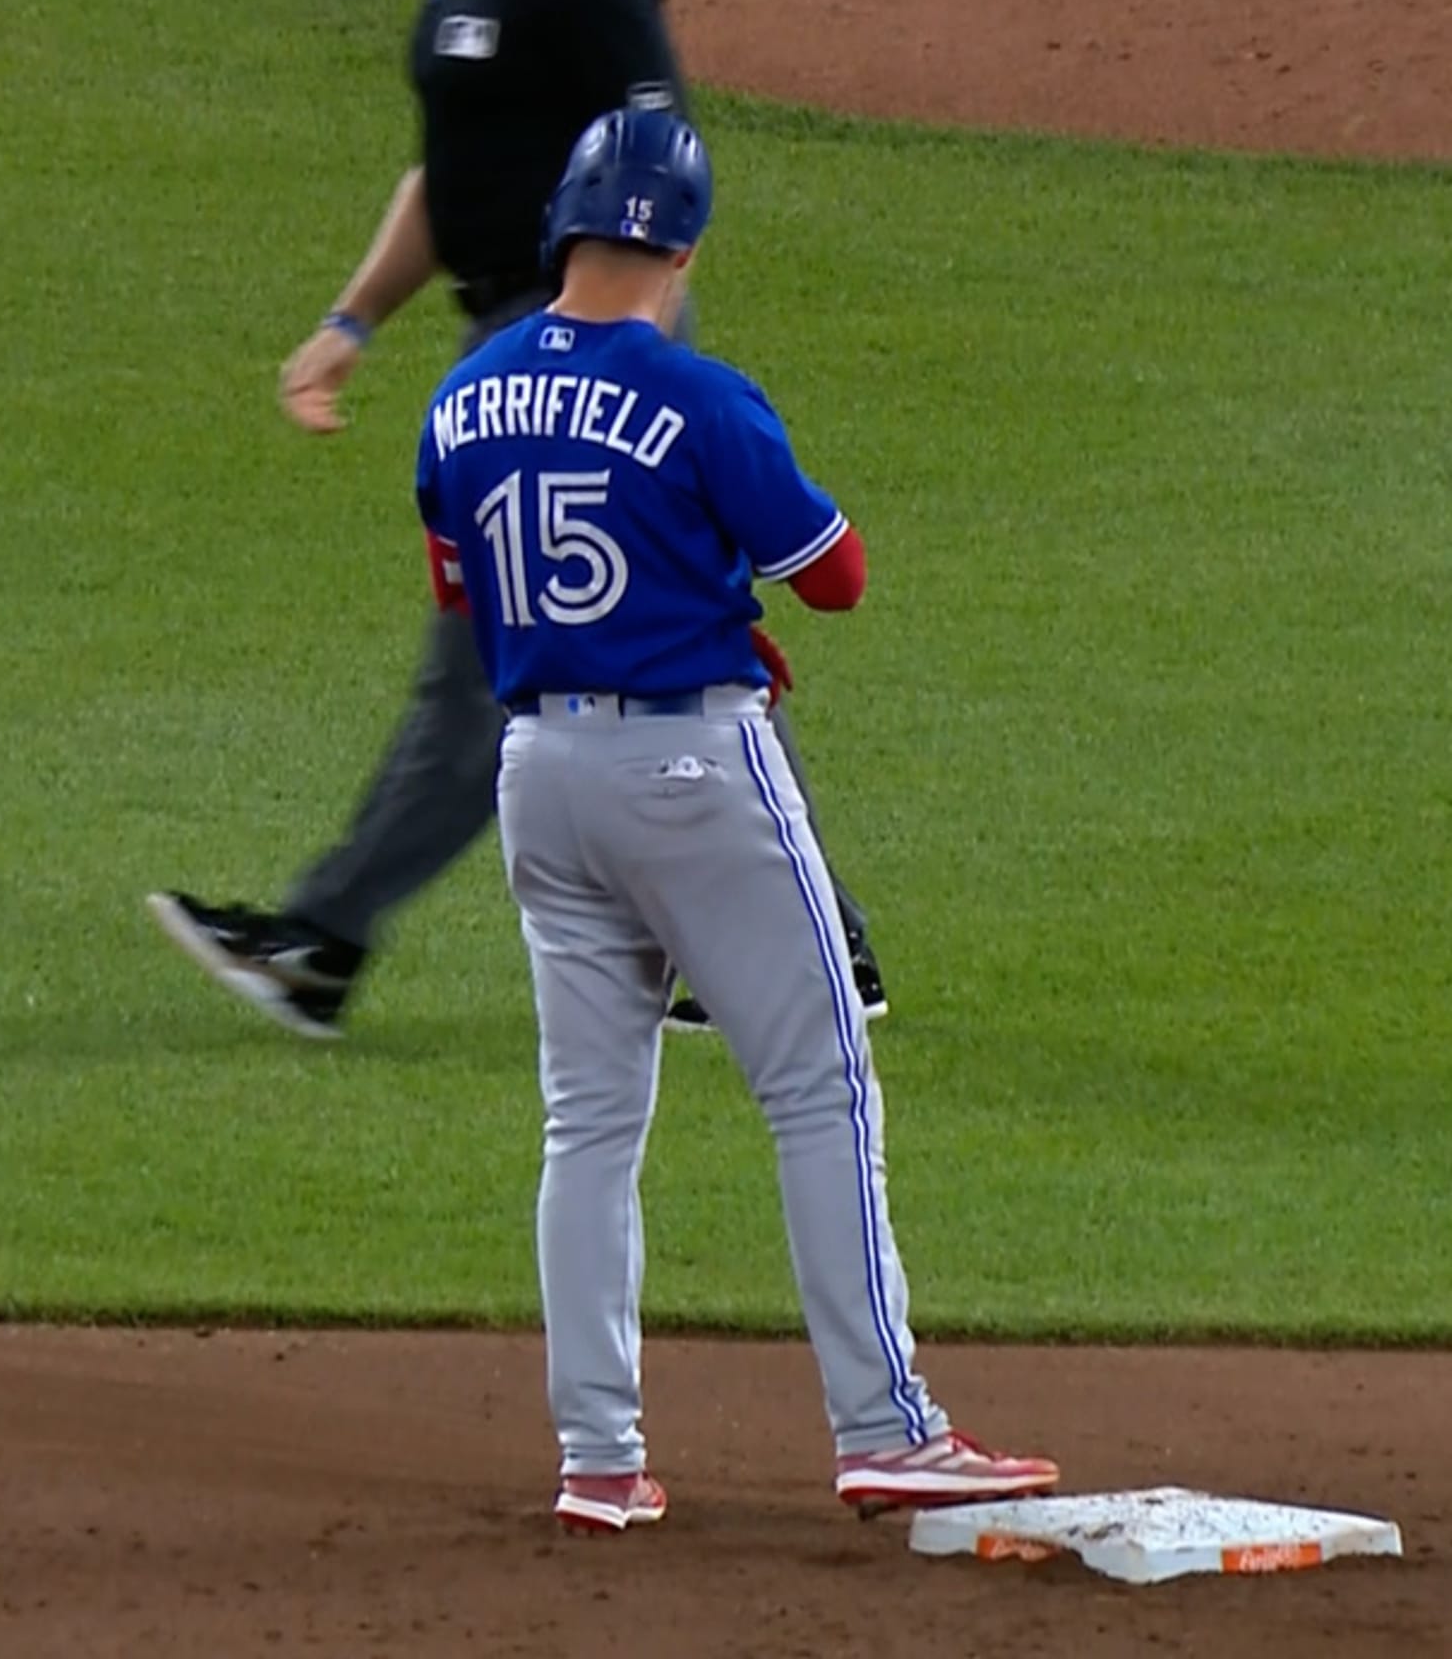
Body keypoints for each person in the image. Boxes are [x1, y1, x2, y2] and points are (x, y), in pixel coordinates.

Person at [416, 107, 1057, 1533]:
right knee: (819, 1089)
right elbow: (836, 578)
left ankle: (598, 1462)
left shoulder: (461, 398)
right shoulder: (704, 399)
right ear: (684, 244)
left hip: (538, 776)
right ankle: (888, 1426)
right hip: (693, 773)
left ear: (565, 230)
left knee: (587, 1126)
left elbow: (466, 592)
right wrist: (703, 607)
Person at [145, 0, 886, 1041]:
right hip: (506, 338)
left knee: (505, 665)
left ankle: (323, 942)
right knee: (656, 648)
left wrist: (633, 361)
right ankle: (826, 935)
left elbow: (659, 150)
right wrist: (351, 323)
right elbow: (449, 179)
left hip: (582, 341)